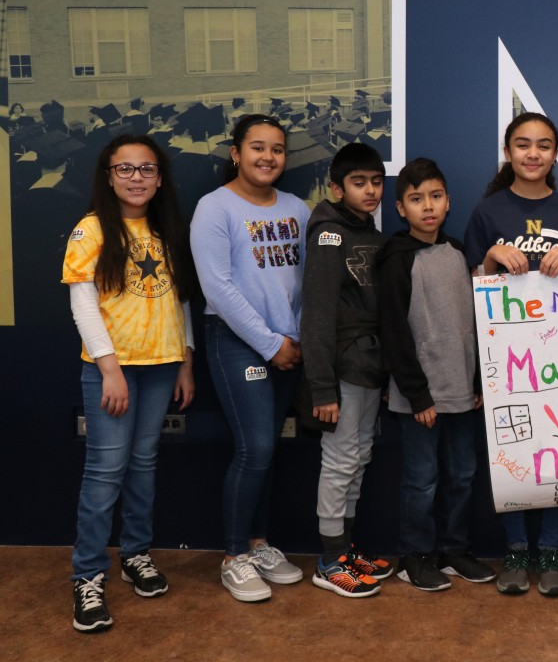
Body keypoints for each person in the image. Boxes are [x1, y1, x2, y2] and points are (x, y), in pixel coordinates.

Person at [63, 135, 197, 632]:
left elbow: (180, 299)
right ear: (108, 175)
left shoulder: (167, 230)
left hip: (162, 364)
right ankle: (87, 576)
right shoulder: (92, 229)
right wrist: (110, 368)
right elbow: (82, 304)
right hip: (112, 370)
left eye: (146, 169)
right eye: (125, 169)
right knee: (105, 472)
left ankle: (136, 554)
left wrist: (186, 359)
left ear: (160, 178)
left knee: (143, 463)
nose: (136, 178)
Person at [463, 112, 558, 597]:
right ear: (508, 152)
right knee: (514, 451)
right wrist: (492, 259)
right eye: (523, 145)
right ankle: (517, 548)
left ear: (555, 153)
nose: (533, 154)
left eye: (543, 145)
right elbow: (472, 288)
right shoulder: (488, 212)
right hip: (507, 359)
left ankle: (552, 550)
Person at [191, 114, 308, 602]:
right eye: (257, 147)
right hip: (238, 339)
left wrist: (294, 340)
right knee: (255, 447)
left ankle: (259, 544)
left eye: (277, 149)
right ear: (235, 153)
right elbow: (217, 286)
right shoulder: (214, 208)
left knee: (269, 449)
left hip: (288, 343)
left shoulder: (300, 210)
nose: (268, 157)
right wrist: (270, 343)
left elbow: (306, 284)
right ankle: (233, 555)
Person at [379, 157, 497, 592]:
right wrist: (418, 396)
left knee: (463, 475)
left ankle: (453, 549)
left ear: (448, 202)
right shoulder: (396, 259)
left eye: (435, 196)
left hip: (463, 393)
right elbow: (394, 334)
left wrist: (479, 383)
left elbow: (475, 324)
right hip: (420, 400)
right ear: (400, 208)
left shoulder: (458, 254)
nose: (427, 206)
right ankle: (416, 556)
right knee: (421, 480)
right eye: (415, 199)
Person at [300, 143, 392, 598]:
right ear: (337, 188)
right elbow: (316, 315)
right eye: (359, 183)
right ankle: (329, 560)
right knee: (339, 461)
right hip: (340, 371)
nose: (370, 190)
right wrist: (321, 387)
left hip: (370, 367)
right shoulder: (328, 235)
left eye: (376, 181)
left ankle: (346, 548)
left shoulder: (371, 233)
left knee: (358, 456)